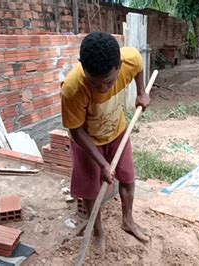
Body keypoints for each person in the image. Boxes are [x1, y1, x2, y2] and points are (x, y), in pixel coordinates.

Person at [60, 32, 150, 251]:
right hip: (87, 141)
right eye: (95, 83)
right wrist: (102, 163)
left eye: (109, 82)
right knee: (90, 190)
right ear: (83, 67)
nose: (102, 89)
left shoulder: (129, 59)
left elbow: (139, 65)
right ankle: (97, 231)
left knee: (127, 178)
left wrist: (141, 92)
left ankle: (127, 221)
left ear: (119, 65)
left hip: (117, 132)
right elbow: (76, 129)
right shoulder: (72, 89)